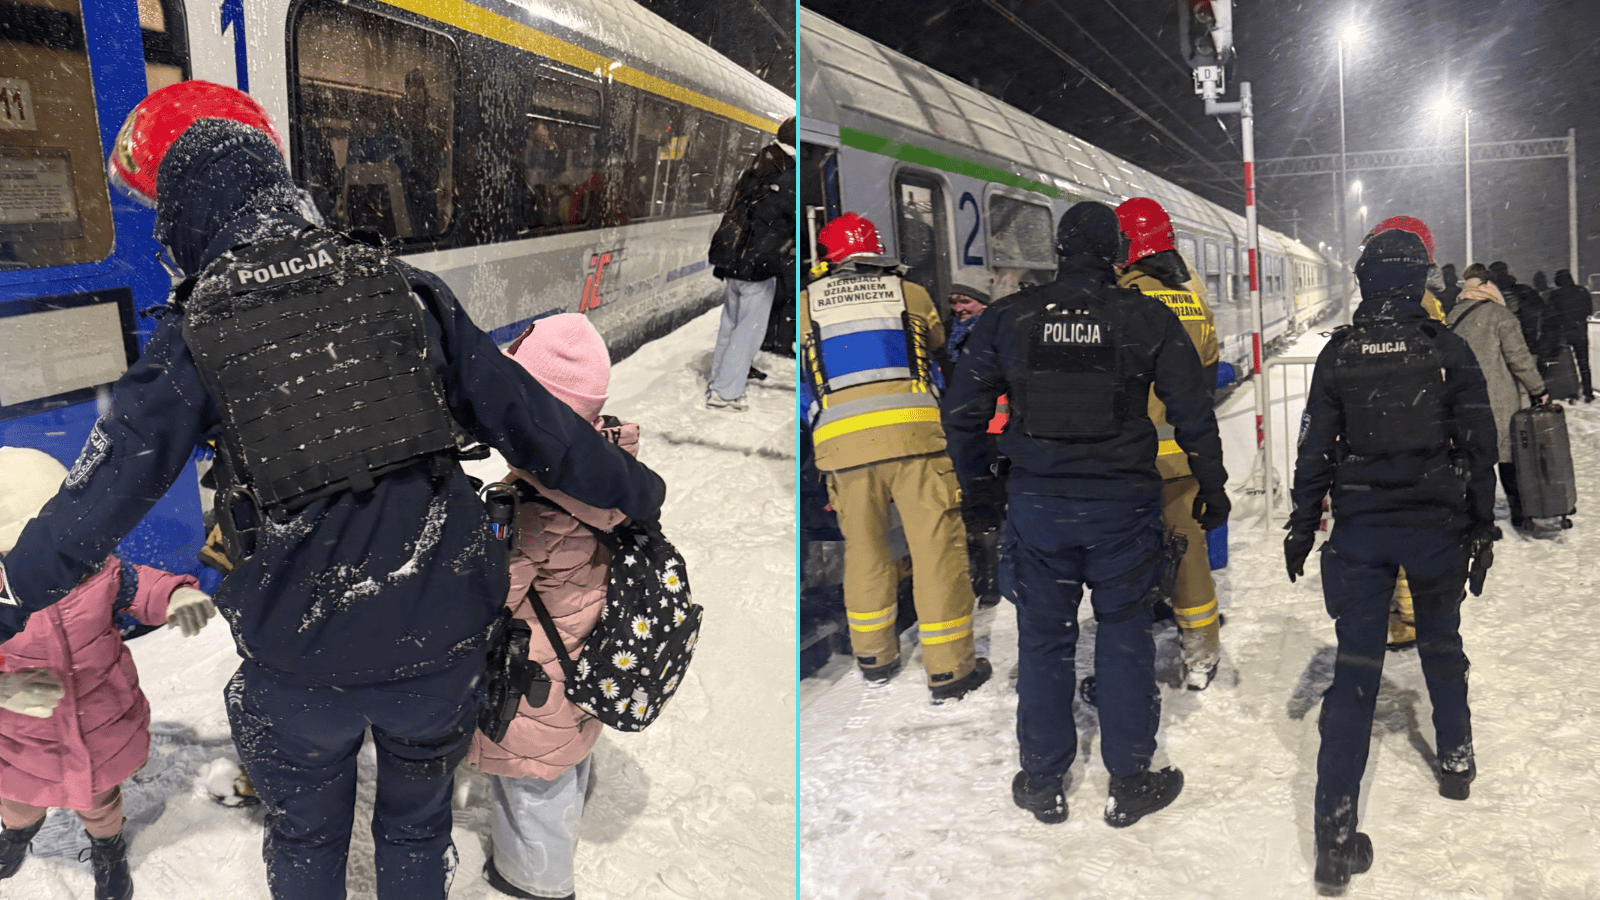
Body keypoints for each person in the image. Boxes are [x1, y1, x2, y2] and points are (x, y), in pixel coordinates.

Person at [0, 82, 665, 900]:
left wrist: (11, 592)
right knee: (416, 827)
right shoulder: (403, 290)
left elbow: (96, 499)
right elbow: (539, 429)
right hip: (437, 638)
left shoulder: (197, 333)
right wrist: (637, 490)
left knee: (308, 834)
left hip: (298, 656)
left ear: (185, 221)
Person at [944, 201, 1229, 827]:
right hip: (1122, 505)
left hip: (1038, 503)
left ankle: (1041, 777)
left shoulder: (1010, 317)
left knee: (1044, 639)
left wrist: (982, 492)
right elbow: (1193, 410)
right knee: (1124, 634)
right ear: (1118, 251)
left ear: (1059, 250)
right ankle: (1130, 778)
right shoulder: (1143, 315)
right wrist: (1212, 486)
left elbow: (962, 411)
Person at [1284, 227, 1499, 894]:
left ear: (1365, 280)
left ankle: (1335, 839)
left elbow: (1314, 448)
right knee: (1440, 644)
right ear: (1418, 281)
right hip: (1435, 528)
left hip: (1362, 533)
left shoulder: (1339, 354)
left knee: (1354, 675)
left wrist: (1301, 524)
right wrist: (1483, 531)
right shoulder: (1447, 349)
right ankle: (1457, 762)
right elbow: (1479, 446)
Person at [466, 314, 632, 900]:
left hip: (535, 662)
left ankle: (537, 882)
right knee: (567, 747)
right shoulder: (613, 468)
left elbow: (492, 595)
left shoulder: (538, 506)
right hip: (584, 643)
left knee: (533, 776)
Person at [0, 447, 215, 900]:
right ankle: (17, 834)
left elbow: (140, 585)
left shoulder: (99, 571)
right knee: (19, 801)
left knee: (101, 802)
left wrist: (173, 596)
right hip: (22, 738)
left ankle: (107, 847)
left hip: (101, 721)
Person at [800, 212, 990, 702]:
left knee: (864, 552)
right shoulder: (911, 294)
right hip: (914, 440)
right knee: (935, 552)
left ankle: (874, 659)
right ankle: (949, 670)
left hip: (842, 446)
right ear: (876, 250)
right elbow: (937, 343)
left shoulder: (806, 303)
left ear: (831, 256)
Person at [1114, 196, 1225, 691]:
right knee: (1190, 552)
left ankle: (1128, 659)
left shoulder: (1119, 301)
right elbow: (1205, 378)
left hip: (1128, 458)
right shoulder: (1192, 301)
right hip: (1180, 452)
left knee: (1124, 558)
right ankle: (1201, 654)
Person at [1446, 265, 1547, 530]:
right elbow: (1519, 359)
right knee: (1509, 459)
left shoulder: (1452, 317)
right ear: (1490, 286)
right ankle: (1520, 514)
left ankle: (1479, 519)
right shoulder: (1501, 316)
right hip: (1498, 401)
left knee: (1478, 461)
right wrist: (1538, 389)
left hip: (1465, 402)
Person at [706, 116, 795, 411]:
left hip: (735, 259)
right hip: (759, 266)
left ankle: (718, 379)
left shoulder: (761, 161)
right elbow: (785, 219)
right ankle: (726, 393)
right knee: (748, 331)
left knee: (730, 325)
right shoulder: (786, 172)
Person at [1548, 269, 1595, 401]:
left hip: (1563, 333)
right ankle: (1587, 391)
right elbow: (1588, 311)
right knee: (1584, 363)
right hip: (1580, 331)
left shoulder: (1556, 295)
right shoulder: (1582, 291)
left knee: (1567, 364)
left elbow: (1552, 314)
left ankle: (1571, 391)